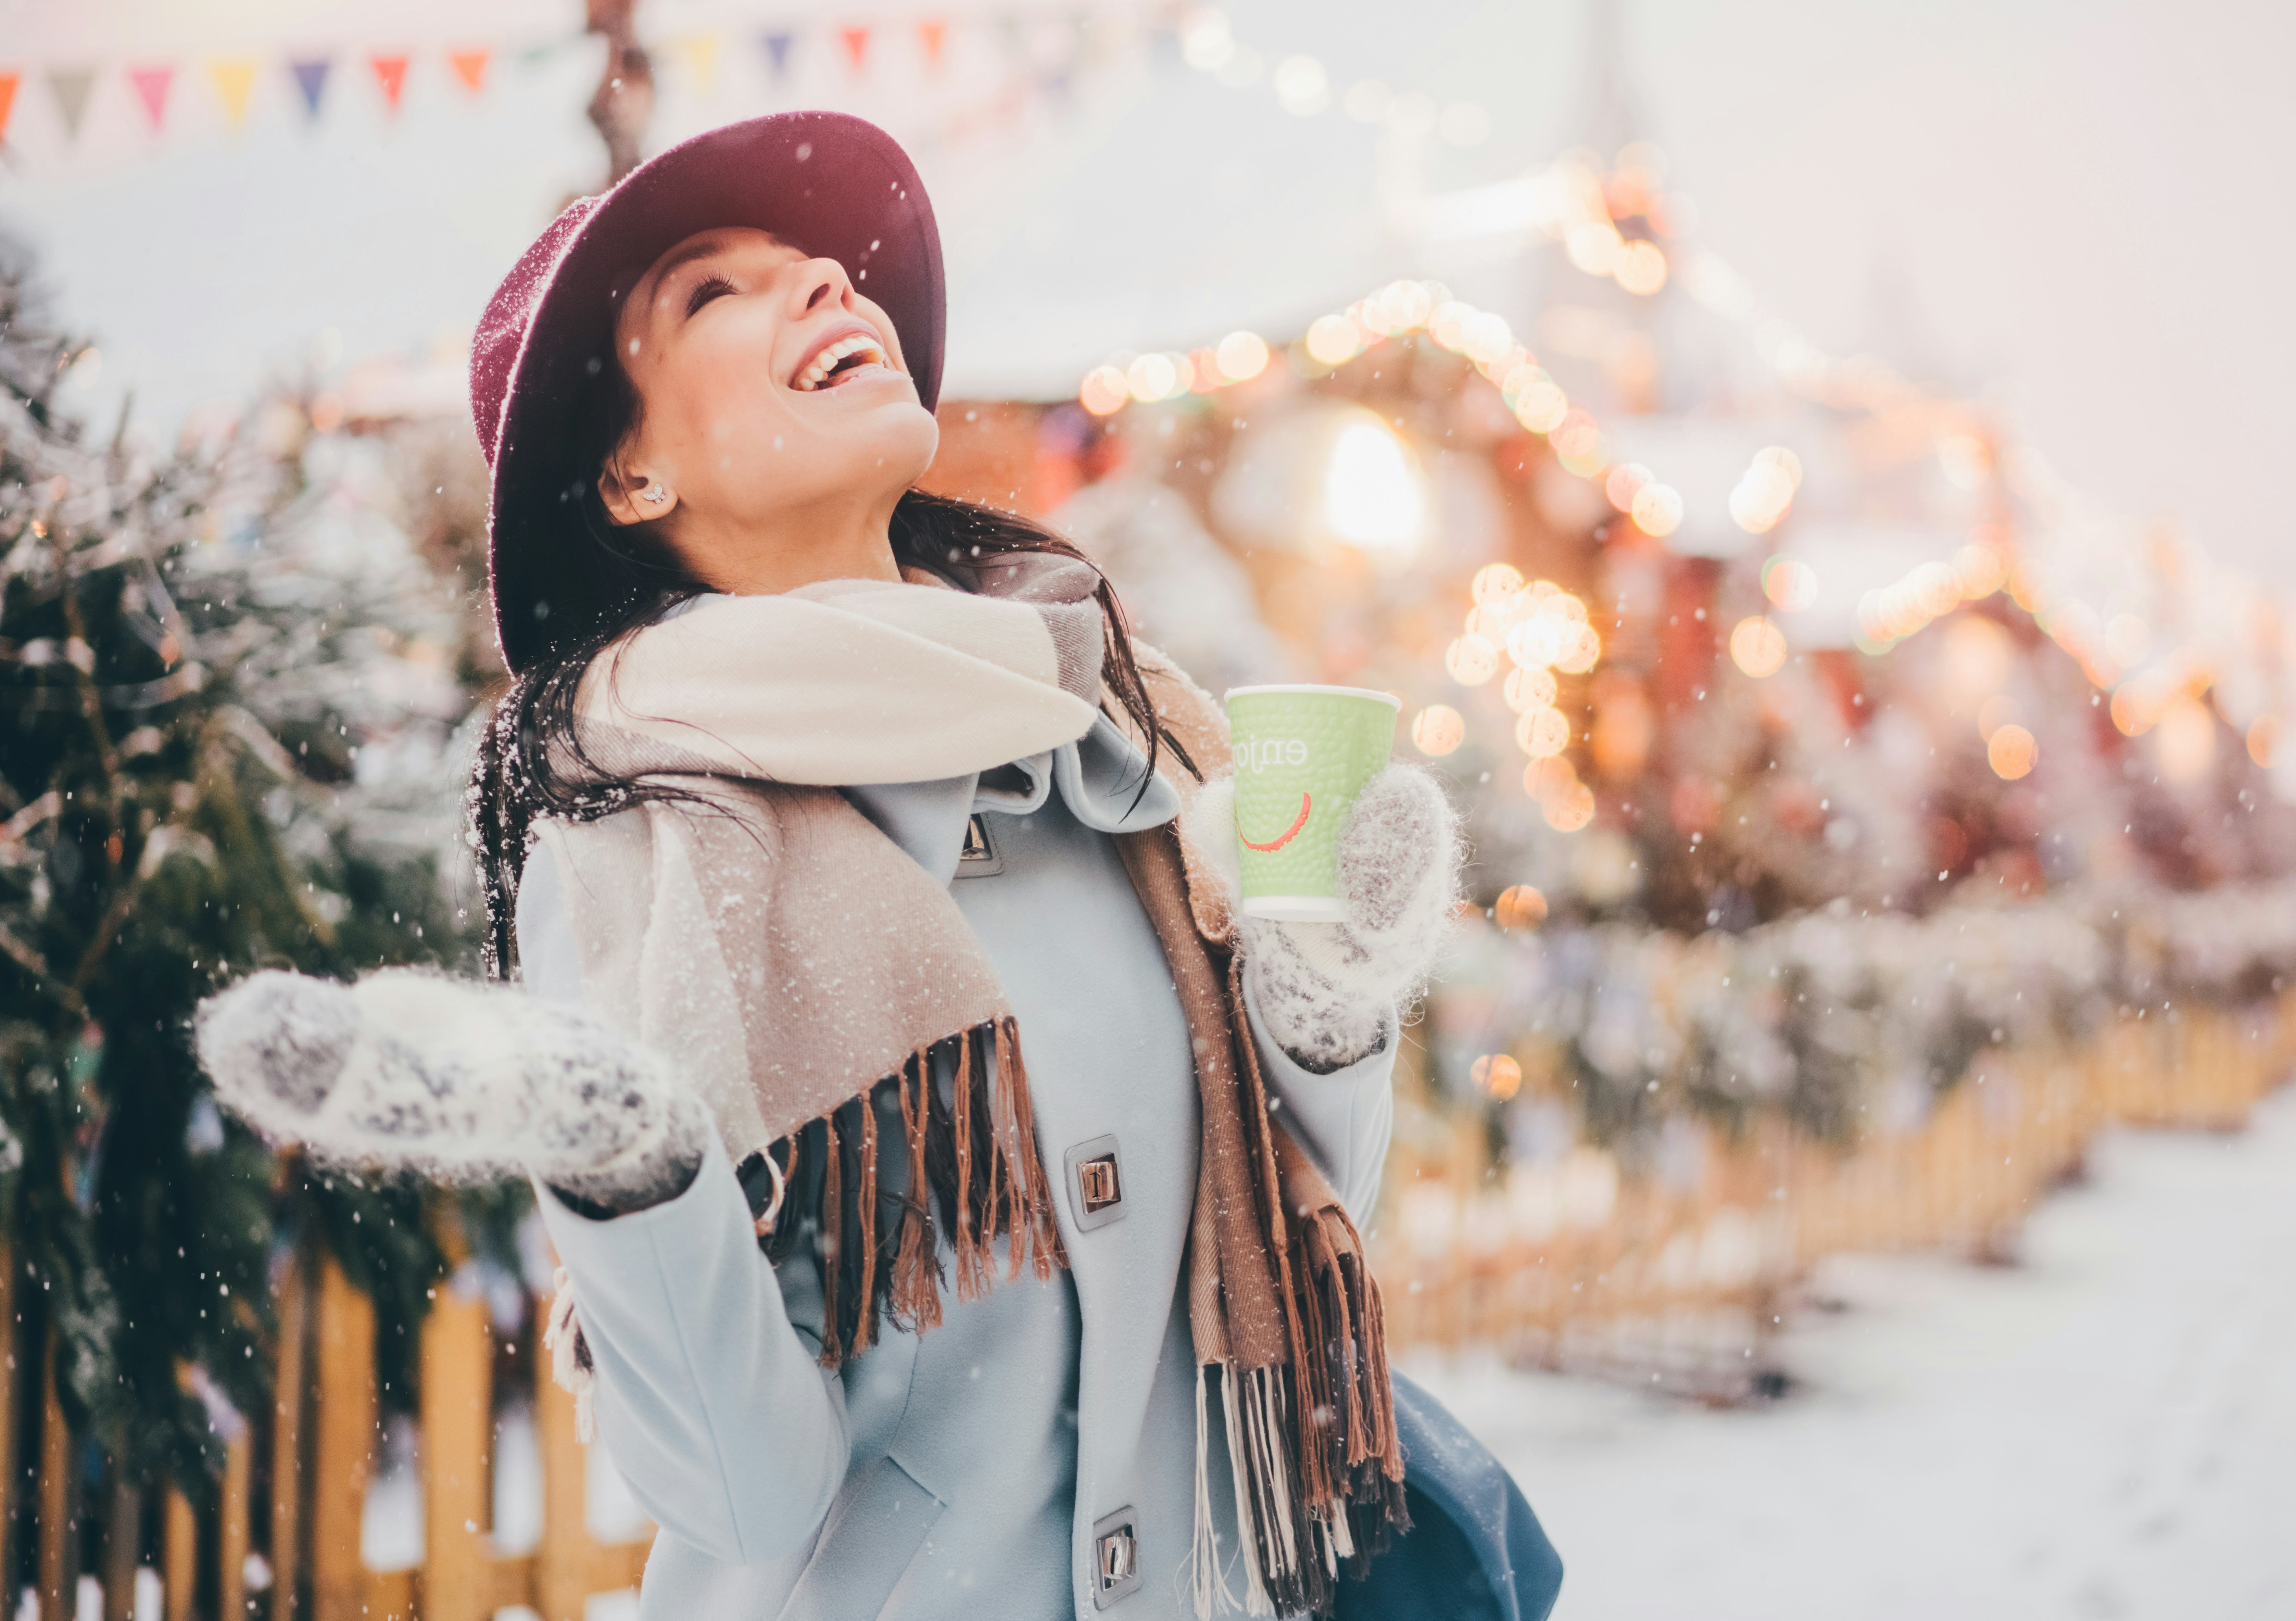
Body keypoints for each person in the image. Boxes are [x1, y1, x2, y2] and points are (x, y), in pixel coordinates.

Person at [194, 113, 1557, 1621]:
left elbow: (1292, 1241)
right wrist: (632, 1172)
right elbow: (746, 1496)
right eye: (714, 294)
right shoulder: (636, 855)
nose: (828, 289)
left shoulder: (1125, 734)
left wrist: (1323, 1005)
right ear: (629, 477)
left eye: (823, 270)